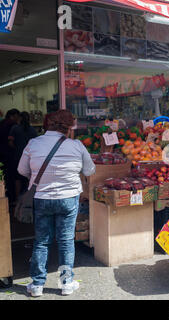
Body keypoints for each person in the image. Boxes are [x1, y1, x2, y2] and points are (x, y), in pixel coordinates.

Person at [18, 109, 95, 297]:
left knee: (42, 241)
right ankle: (66, 283)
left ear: (47, 125)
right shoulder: (76, 145)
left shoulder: (33, 144)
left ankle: (37, 285)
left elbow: (22, 170)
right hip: (68, 198)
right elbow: (90, 170)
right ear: (67, 128)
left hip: (42, 198)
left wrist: (38, 178)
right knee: (66, 240)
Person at [8, 112, 38, 201]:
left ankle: (18, 200)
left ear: (20, 119)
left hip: (17, 156)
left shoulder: (15, 128)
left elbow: (10, 142)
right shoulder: (32, 130)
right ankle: (29, 199)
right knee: (29, 179)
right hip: (31, 158)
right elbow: (36, 144)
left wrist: (17, 148)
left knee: (18, 179)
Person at [0, 108, 21, 201]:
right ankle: (13, 198)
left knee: (5, 176)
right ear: (12, 116)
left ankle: (7, 196)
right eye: (17, 116)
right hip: (10, 154)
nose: (18, 119)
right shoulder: (13, 125)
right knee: (12, 177)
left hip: (2, 153)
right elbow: (11, 142)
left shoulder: (2, 123)